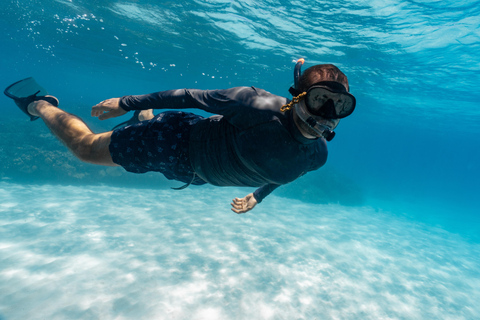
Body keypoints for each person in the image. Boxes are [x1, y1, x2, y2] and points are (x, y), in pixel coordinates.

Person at [5, 60, 356, 213]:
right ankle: (38, 104)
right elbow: (189, 95)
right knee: (84, 149)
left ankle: (144, 119)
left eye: (338, 106)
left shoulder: (317, 156)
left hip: (195, 174)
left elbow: (286, 171)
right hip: (172, 141)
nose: (325, 115)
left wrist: (258, 196)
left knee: (146, 125)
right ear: (297, 97)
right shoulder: (258, 105)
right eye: (319, 101)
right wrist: (124, 103)